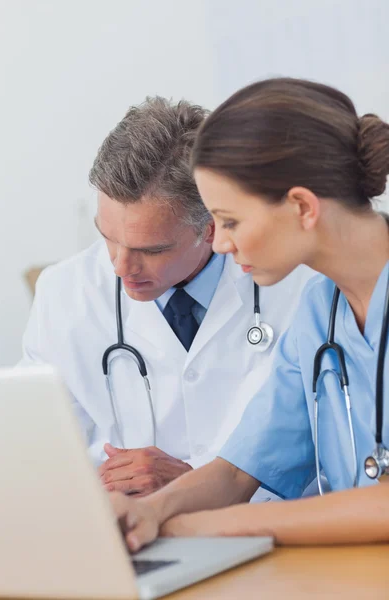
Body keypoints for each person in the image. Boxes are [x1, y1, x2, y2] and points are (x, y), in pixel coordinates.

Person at [109, 78, 389, 549]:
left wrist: (195, 528)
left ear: (302, 206)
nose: (218, 242)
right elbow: (241, 469)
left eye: (231, 220)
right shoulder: (321, 312)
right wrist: (148, 513)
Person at [20, 96, 312, 498]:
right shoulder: (63, 294)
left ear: (211, 226)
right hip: (133, 538)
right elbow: (35, 454)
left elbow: (322, 458)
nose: (121, 267)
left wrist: (195, 485)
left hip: (272, 532)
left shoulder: (298, 284)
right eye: (107, 238)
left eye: (152, 250)